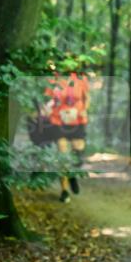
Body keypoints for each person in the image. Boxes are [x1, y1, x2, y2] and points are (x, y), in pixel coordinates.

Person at [45, 72, 90, 202]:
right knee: (63, 155)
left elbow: (87, 98)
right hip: (58, 122)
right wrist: (48, 108)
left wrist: (83, 110)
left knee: (78, 155)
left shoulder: (81, 78)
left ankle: (72, 174)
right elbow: (48, 100)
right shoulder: (53, 79)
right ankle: (64, 191)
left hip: (78, 121)